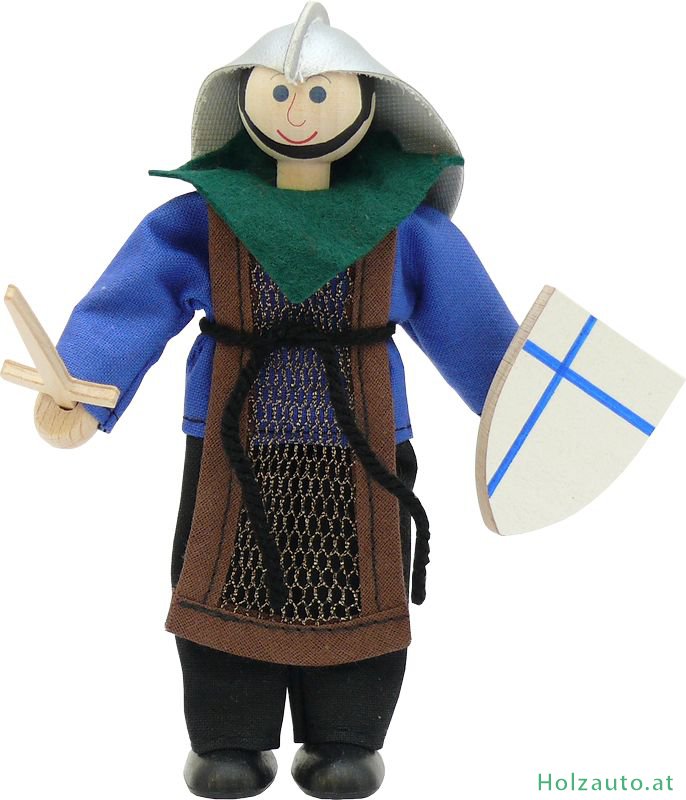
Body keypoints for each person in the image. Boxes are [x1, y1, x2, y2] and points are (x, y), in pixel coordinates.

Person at [36, 3, 517, 797]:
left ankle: (346, 738)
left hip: (362, 438)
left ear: (366, 104)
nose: (298, 112)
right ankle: (229, 738)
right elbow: (137, 297)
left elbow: (469, 321)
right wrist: (85, 384)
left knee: (363, 577)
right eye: (282, 93)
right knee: (217, 570)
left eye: (320, 95)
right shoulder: (208, 215)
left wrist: (520, 405)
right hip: (231, 434)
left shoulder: (403, 227)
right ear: (245, 103)